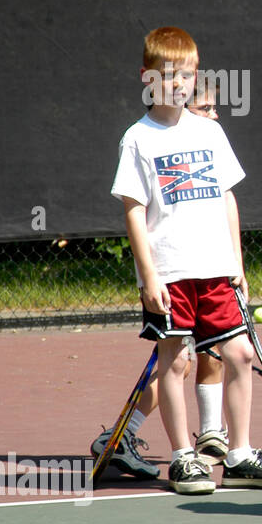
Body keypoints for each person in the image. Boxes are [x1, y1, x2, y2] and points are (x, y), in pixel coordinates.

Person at [110, 27, 262, 494]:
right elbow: (134, 210)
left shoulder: (210, 131)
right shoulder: (137, 139)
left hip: (217, 271)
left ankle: (238, 455)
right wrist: (148, 276)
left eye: (188, 75)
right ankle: (183, 458)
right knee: (174, 363)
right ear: (147, 77)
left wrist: (237, 262)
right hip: (170, 274)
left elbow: (228, 199)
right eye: (169, 75)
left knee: (239, 353)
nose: (179, 84)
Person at [93, 79, 229, 479]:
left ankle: (210, 434)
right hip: (173, 274)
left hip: (207, 268)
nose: (213, 114)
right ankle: (120, 440)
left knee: (208, 354)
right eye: (207, 108)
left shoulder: (208, 141)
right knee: (181, 360)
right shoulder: (145, 140)